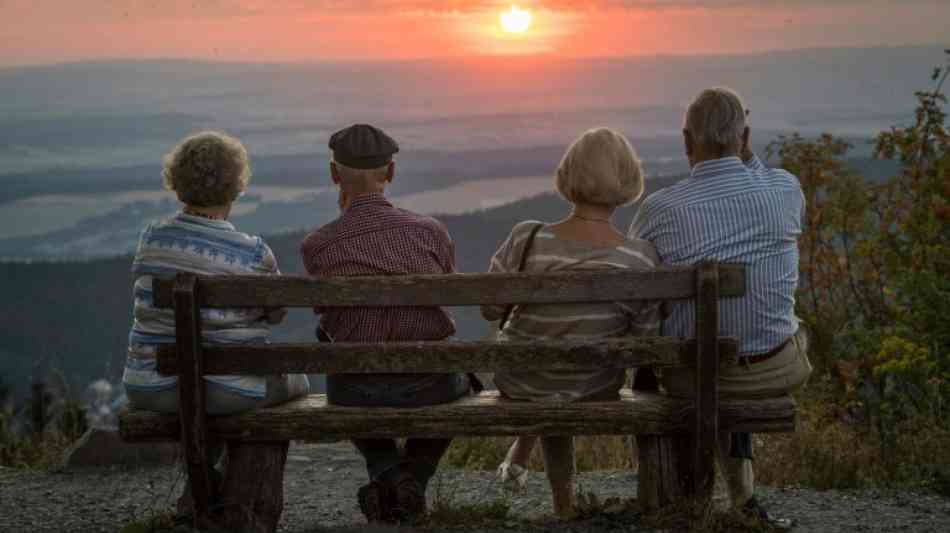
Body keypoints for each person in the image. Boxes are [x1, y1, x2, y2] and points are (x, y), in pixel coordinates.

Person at [628, 88, 813, 526]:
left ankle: (690, 499)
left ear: (686, 142)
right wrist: (747, 157)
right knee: (767, 330)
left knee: (703, 347)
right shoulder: (785, 190)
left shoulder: (659, 209)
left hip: (691, 377)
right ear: (744, 137)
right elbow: (763, 180)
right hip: (774, 368)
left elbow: (635, 281)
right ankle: (742, 497)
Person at [483, 127, 662, 518]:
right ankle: (563, 503)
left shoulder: (526, 237)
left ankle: (562, 503)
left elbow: (489, 310)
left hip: (521, 382)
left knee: (547, 365)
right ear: (627, 181)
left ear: (568, 177)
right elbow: (646, 341)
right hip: (593, 384)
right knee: (567, 367)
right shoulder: (640, 257)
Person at [299, 124, 472, 523]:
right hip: (430, 386)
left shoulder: (317, 246)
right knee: (465, 381)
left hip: (355, 390)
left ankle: (387, 473)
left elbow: (328, 316)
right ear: (390, 172)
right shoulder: (430, 232)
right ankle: (411, 478)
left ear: (333, 173)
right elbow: (447, 297)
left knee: (336, 353)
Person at [123, 130, 310, 415]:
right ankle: (240, 460)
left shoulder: (151, 239)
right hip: (230, 393)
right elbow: (277, 314)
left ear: (177, 182)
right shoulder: (254, 253)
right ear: (235, 186)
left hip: (149, 388)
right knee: (299, 382)